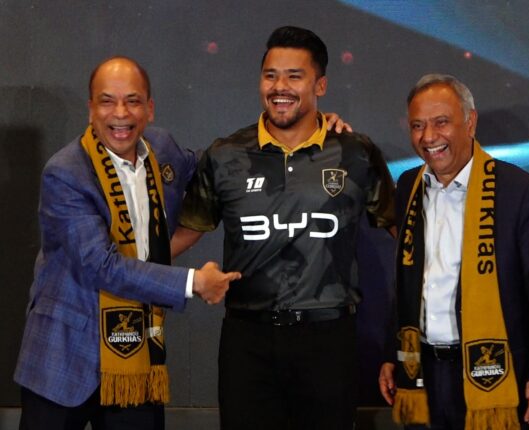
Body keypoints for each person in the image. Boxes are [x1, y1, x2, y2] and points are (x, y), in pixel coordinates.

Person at [173, 26, 396, 429]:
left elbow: (403, 233)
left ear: (320, 85)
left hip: (328, 339)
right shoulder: (226, 155)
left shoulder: (356, 152)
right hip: (248, 341)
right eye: (270, 75)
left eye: (295, 76)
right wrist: (120, 267)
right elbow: (186, 233)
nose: (280, 87)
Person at [13, 56, 242, 430]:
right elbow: (101, 266)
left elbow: (213, 164)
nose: (120, 114)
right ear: (91, 109)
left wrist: (312, 125)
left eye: (133, 101)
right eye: (107, 101)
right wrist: (194, 282)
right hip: (65, 359)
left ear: (149, 108)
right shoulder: (65, 173)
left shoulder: (162, 148)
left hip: (136, 359)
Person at [378, 74, 529, 430]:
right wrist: (393, 353)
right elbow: (407, 281)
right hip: (422, 372)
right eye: (417, 126)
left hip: (496, 372)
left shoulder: (519, 191)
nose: (428, 137)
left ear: (470, 122)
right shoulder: (407, 187)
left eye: (441, 122)